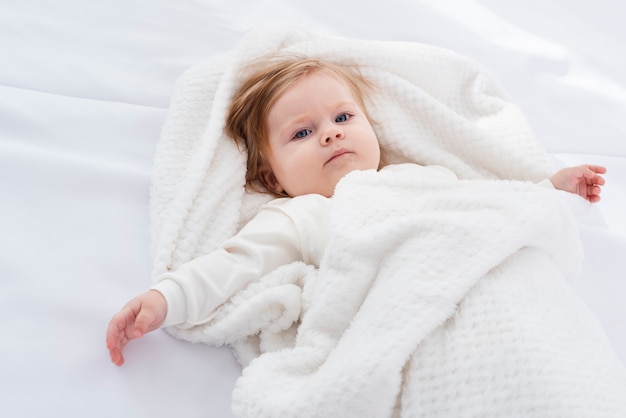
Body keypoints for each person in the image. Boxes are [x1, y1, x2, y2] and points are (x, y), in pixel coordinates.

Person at [106, 56, 606, 366]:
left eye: (343, 117)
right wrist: (165, 298)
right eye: (301, 133)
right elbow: (234, 262)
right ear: (272, 178)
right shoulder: (302, 215)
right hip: (420, 320)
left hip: (506, 296)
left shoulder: (425, 176)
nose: (330, 132)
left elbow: (495, 204)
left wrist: (551, 187)